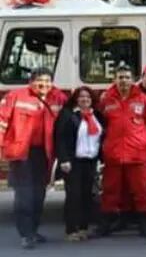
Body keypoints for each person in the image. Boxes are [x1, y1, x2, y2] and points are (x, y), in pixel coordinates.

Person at [0, 67, 67, 249]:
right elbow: (1, 121)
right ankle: (25, 234)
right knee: (25, 196)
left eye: (47, 81)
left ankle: (34, 231)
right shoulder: (15, 97)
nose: (44, 84)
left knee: (39, 194)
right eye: (40, 81)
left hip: (44, 154)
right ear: (31, 81)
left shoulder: (58, 98)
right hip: (21, 153)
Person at [95, 64, 146, 238]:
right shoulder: (106, 100)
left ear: (133, 80)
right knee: (110, 190)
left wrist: (143, 141)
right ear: (114, 79)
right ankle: (106, 224)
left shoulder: (145, 100)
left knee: (142, 190)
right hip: (114, 154)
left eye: (126, 77)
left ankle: (144, 224)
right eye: (120, 77)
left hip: (138, 154)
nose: (123, 80)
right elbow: (99, 124)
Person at [54, 86, 105, 242]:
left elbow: (102, 137)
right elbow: (60, 138)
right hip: (73, 162)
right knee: (74, 196)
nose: (85, 100)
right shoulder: (68, 114)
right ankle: (71, 230)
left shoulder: (96, 115)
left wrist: (102, 159)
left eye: (88, 97)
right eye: (81, 97)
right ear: (76, 99)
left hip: (91, 161)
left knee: (87, 196)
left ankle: (83, 228)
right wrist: (63, 160)